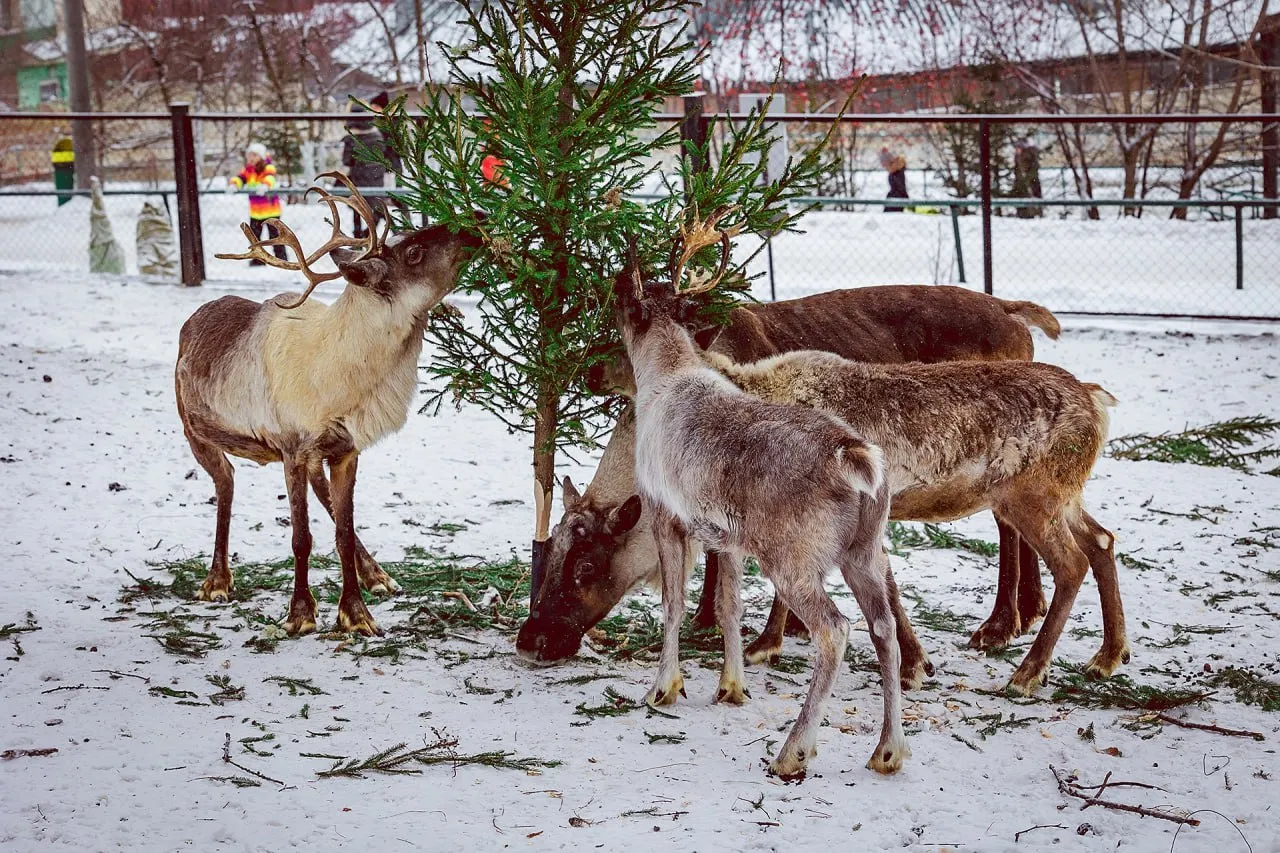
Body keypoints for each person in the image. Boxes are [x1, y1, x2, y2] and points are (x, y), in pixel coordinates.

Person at [341, 91, 400, 238]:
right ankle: (374, 233)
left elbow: (346, 161)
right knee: (379, 206)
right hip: (377, 175)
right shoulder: (377, 134)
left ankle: (360, 236)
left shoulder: (351, 137)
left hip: (359, 177)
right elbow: (385, 152)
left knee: (358, 209)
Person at [227, 142, 286, 264]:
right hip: (255, 212)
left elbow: (270, 177)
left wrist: (265, 185)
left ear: (261, 156)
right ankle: (258, 260)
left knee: (275, 237)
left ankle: (281, 260)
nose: (251, 158)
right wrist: (234, 184)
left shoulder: (268, 167)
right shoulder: (248, 170)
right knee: (254, 238)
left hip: (271, 211)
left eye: (254, 155)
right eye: (249, 155)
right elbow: (240, 178)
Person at [880, 146, 909, 213]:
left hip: (894, 198)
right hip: (896, 198)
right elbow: (901, 187)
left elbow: (900, 187)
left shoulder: (895, 173)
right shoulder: (896, 174)